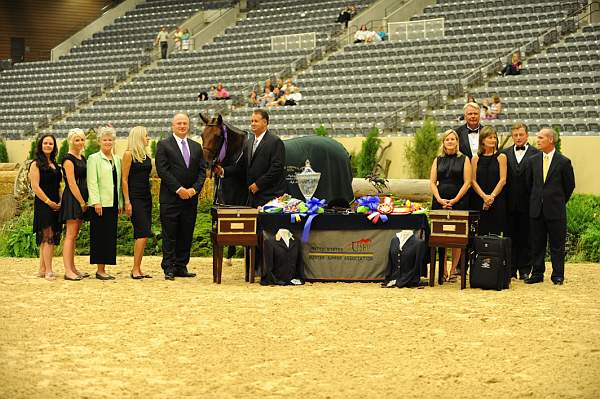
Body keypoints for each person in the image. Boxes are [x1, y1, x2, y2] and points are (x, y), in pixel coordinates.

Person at [155, 113, 206, 280]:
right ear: (173, 126)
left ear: (189, 126)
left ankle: (181, 266)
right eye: (179, 123)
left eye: (185, 123)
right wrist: (179, 189)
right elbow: (163, 170)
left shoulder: (196, 147)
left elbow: (202, 172)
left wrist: (193, 190)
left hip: (190, 199)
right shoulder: (164, 145)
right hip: (171, 199)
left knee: (186, 233)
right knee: (170, 234)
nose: (182, 126)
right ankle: (168, 267)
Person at [525, 128, 575, 285]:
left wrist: (557, 201)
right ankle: (537, 273)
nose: (537, 140)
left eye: (541, 137)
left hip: (555, 210)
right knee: (536, 243)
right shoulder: (532, 160)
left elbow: (569, 186)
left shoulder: (564, 162)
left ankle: (558, 275)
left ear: (551, 140)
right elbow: (529, 184)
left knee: (557, 245)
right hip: (536, 210)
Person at [215, 109, 286, 208]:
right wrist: (223, 171)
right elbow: (241, 167)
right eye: (251, 121)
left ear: (265, 122)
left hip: (270, 197)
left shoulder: (275, 141)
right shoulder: (248, 142)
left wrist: (258, 185)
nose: (253, 124)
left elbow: (276, 169)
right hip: (252, 198)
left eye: (256, 121)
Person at [429, 129, 472, 282]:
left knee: (456, 237)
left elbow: (468, 182)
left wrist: (454, 200)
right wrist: (440, 199)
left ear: (457, 142)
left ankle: (454, 270)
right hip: (440, 201)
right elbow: (432, 182)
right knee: (441, 236)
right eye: (447, 139)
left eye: (453, 139)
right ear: (443, 142)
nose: (450, 141)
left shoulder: (465, 159)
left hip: (459, 201)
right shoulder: (437, 159)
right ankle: (443, 270)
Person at [502, 122, 539, 280]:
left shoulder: (536, 154)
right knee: (509, 237)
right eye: (515, 135)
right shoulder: (503, 154)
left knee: (526, 237)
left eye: (521, 135)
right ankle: (510, 268)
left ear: (527, 135)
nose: (518, 138)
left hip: (528, 204)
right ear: (512, 136)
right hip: (508, 204)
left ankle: (525, 269)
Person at [87, 126, 123, 280]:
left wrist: (120, 202)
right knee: (99, 236)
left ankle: (105, 268)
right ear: (99, 142)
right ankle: (99, 270)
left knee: (109, 236)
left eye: (110, 139)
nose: (108, 142)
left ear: (114, 142)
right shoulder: (93, 158)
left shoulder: (117, 159)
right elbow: (92, 182)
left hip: (113, 203)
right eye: (105, 139)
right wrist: (96, 202)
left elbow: (119, 183)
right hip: (100, 204)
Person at [122, 126, 153, 279]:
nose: (148, 138)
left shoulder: (146, 155)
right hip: (135, 198)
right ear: (139, 137)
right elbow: (124, 179)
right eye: (146, 136)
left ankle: (138, 268)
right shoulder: (129, 154)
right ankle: (135, 269)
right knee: (142, 231)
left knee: (144, 233)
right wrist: (127, 201)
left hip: (146, 197)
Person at [29, 134, 62, 281]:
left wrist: (61, 201)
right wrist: (49, 202)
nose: (48, 145)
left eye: (51, 143)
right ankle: (49, 270)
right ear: (41, 145)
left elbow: (58, 185)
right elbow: (35, 187)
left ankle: (42, 269)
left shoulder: (55, 164)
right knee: (47, 236)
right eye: (45, 143)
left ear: (54, 146)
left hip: (56, 204)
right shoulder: (35, 164)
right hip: (44, 204)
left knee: (47, 236)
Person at [59, 128, 90, 281]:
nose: (80, 142)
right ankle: (67, 270)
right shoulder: (68, 159)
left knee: (75, 235)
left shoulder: (82, 157)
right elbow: (71, 183)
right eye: (77, 140)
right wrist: (82, 201)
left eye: (82, 139)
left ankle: (73, 268)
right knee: (70, 235)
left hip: (81, 198)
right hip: (73, 199)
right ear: (70, 141)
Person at [470, 126, 508, 236]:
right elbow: (473, 180)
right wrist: (484, 197)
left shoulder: (501, 157)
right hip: (479, 200)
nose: (493, 140)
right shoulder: (475, 158)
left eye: (494, 137)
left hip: (497, 200)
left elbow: (503, 180)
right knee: (481, 233)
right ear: (482, 140)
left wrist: (491, 197)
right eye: (489, 137)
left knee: (495, 234)